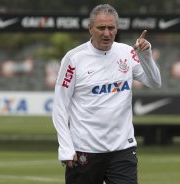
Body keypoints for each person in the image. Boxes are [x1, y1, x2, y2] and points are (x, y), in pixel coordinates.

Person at [52, 4, 161, 184]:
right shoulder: (74, 58)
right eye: (101, 28)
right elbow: (60, 106)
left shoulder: (126, 52)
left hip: (122, 149)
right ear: (90, 29)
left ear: (116, 29)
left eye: (111, 28)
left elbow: (155, 82)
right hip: (85, 151)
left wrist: (146, 55)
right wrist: (65, 147)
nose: (107, 33)